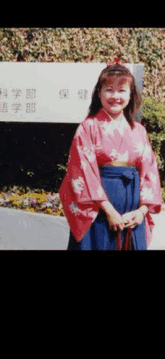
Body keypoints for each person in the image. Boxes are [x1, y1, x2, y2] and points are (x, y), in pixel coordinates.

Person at [59, 59, 162, 250]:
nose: (115, 96)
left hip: (132, 212)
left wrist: (142, 211)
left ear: (131, 94)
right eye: (109, 90)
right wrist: (109, 210)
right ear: (99, 93)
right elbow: (82, 172)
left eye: (121, 90)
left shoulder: (138, 130)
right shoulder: (88, 127)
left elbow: (150, 173)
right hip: (99, 211)